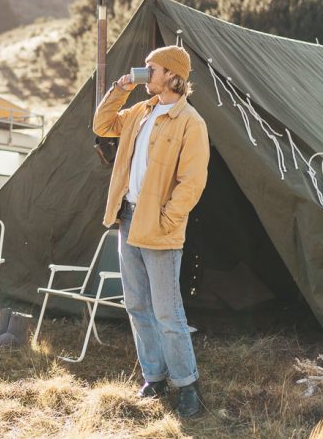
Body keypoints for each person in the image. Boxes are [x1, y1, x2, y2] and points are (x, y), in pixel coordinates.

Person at [92, 45, 209, 418]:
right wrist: (122, 87)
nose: (144, 72)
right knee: (137, 306)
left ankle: (187, 385)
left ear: (172, 75)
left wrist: (168, 219)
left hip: (158, 226)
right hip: (127, 220)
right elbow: (101, 124)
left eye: (150, 68)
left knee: (167, 312)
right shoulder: (139, 111)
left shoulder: (190, 121)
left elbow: (192, 182)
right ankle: (154, 378)